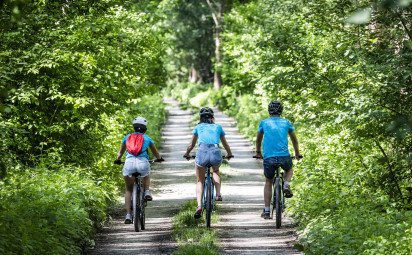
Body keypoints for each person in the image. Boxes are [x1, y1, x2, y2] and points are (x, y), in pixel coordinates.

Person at [254, 101, 302, 219]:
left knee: (268, 181)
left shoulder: (264, 123)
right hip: (284, 156)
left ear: (269, 111)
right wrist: (297, 154)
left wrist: (258, 153)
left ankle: (266, 211)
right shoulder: (286, 122)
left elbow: (258, 140)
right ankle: (286, 184)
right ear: (281, 111)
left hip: (269, 157)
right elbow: (294, 140)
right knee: (289, 169)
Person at [183, 107, 234, 219]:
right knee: (215, 170)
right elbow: (225, 144)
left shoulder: (198, 127)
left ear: (200, 118)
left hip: (202, 152)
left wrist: (187, 153)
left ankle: (199, 206)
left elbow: (191, 145)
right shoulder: (218, 127)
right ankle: (218, 194)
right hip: (215, 151)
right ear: (212, 118)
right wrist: (229, 154)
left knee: (200, 180)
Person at [115, 116, 164, 224]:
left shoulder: (127, 137)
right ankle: (146, 191)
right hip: (142, 163)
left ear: (134, 127)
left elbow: (120, 153)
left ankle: (128, 215)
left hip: (129, 163)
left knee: (128, 190)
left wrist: (117, 160)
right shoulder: (147, 138)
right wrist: (159, 159)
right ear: (145, 128)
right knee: (146, 174)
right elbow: (156, 153)